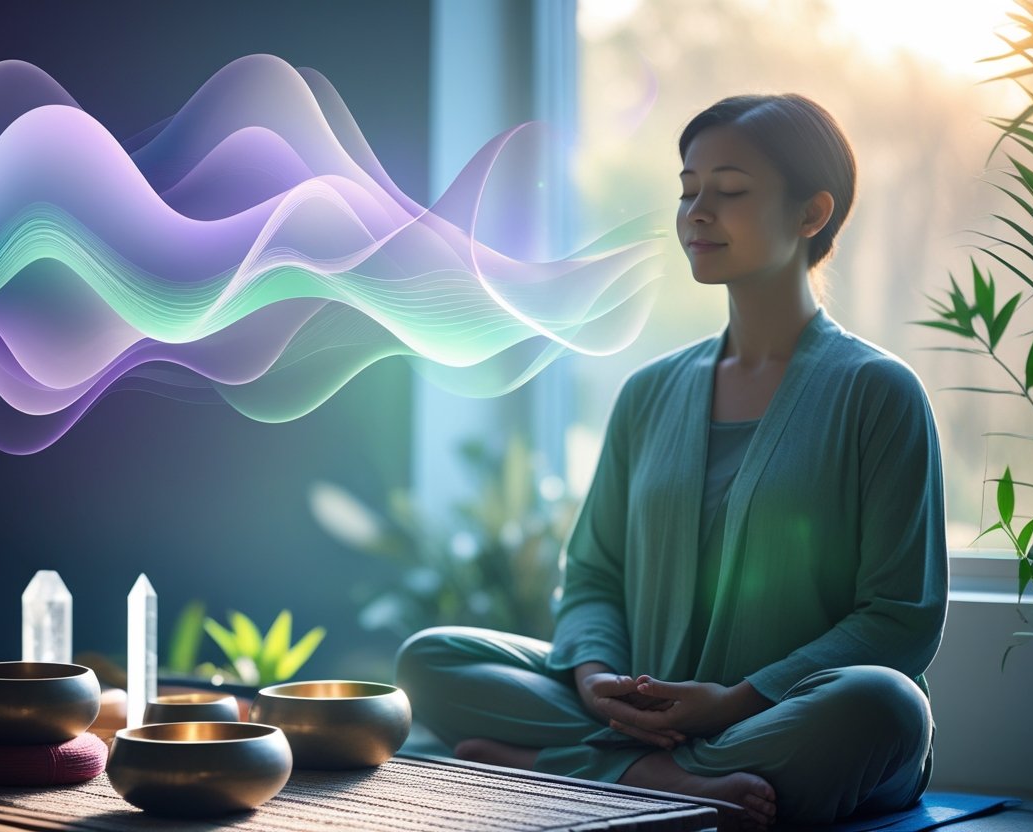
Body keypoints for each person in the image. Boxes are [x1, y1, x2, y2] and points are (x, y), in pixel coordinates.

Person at [395, 93, 947, 828]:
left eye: (730, 191)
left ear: (812, 214)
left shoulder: (878, 393)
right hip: (637, 717)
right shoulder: (650, 392)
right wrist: (596, 682)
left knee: (885, 705)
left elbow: (899, 618)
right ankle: (672, 784)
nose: (696, 212)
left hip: (781, 720)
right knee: (430, 658)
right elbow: (594, 576)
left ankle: (566, 776)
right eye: (688, 191)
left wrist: (735, 701)